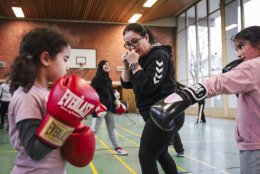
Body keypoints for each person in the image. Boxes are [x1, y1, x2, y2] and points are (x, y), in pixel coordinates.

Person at [150, 26, 260, 174]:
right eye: (236, 49)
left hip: (255, 145)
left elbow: (218, 83)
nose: (239, 54)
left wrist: (183, 97)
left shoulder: (252, 66)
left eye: (242, 46)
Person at [8, 28, 99, 173]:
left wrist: (72, 122)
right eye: (65, 59)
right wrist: (65, 121)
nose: (68, 66)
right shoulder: (28, 96)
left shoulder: (47, 94)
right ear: (45, 58)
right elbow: (35, 151)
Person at [120, 23, 182, 174]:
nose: (132, 47)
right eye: (128, 44)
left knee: (146, 157)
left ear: (146, 37)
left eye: (135, 41)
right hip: (155, 115)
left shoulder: (159, 55)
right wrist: (126, 65)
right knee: (161, 154)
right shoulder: (141, 58)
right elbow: (126, 84)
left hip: (167, 114)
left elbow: (148, 85)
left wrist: (134, 63)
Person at [91, 60, 128, 156]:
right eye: (105, 64)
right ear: (100, 66)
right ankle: (85, 148)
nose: (107, 66)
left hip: (110, 108)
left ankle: (116, 148)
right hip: (100, 109)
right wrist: (97, 106)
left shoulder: (109, 80)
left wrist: (117, 103)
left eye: (108, 64)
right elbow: (91, 94)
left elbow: (111, 93)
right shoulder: (95, 80)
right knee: (93, 130)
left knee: (111, 128)